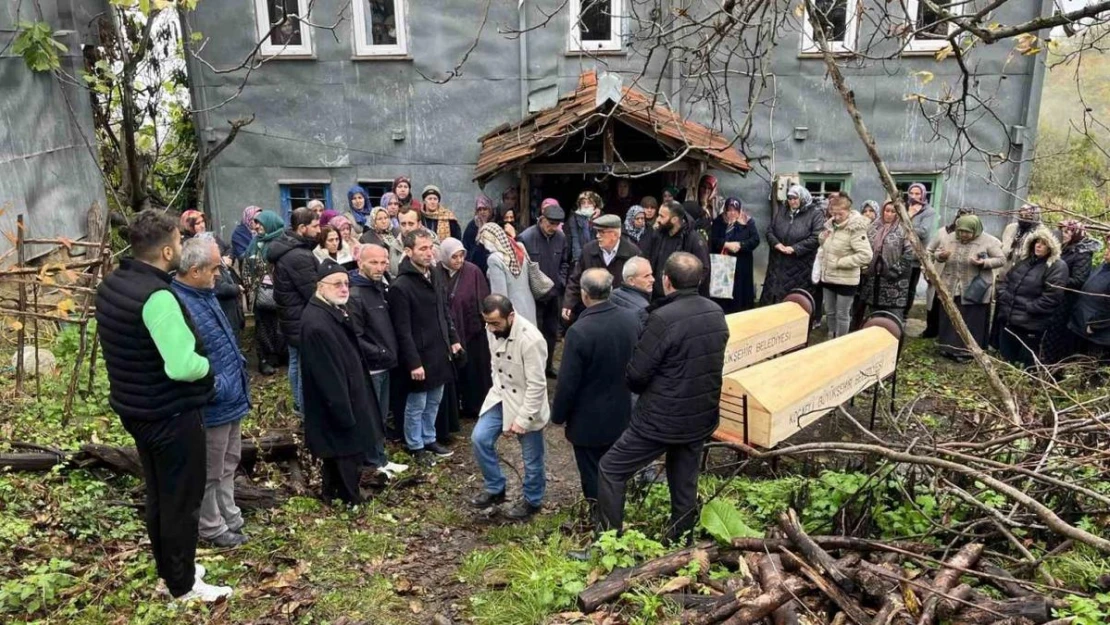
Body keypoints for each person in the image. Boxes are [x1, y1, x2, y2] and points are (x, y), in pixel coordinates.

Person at [95, 209, 231, 602]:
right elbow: (183, 366)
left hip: (137, 408)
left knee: (160, 493)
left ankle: (173, 566)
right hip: (171, 413)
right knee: (182, 501)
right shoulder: (158, 297)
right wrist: (209, 368)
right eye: (179, 239)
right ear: (168, 249)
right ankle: (183, 586)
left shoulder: (114, 283)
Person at [597, 253, 729, 544]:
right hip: (700, 416)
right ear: (700, 279)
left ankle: (607, 544)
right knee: (684, 481)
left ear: (666, 281)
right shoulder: (715, 312)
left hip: (660, 420)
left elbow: (637, 376)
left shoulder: (662, 318)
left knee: (611, 469)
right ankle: (681, 541)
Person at [171, 234, 251, 548]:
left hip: (230, 397)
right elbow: (185, 360)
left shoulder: (205, 294)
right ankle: (212, 526)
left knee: (229, 460)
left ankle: (229, 514)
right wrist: (217, 387)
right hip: (213, 402)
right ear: (195, 271)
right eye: (214, 269)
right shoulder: (180, 303)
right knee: (210, 469)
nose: (219, 274)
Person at [551, 269, 638, 507]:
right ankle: (618, 508)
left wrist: (558, 415)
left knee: (592, 472)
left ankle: (598, 514)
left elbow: (568, 382)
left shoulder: (579, 331)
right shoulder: (631, 320)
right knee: (617, 467)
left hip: (588, 420)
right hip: (622, 412)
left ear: (584, 294)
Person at [299, 262, 378, 503]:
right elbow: (328, 375)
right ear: (320, 287)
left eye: (346, 283)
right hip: (336, 400)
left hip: (346, 393)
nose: (344, 289)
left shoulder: (331, 310)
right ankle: (348, 498)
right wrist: (343, 409)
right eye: (337, 284)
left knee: (341, 450)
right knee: (343, 449)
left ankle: (334, 492)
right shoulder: (317, 322)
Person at [469, 294, 549, 520]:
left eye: (496, 323)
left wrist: (522, 420)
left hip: (527, 401)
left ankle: (532, 502)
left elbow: (537, 385)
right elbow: (495, 364)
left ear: (510, 316)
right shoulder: (491, 329)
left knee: (532, 459)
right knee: (479, 438)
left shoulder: (530, 339)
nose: (491, 328)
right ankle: (495, 488)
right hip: (502, 395)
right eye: (487, 323)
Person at [389, 228, 463, 462]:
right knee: (417, 403)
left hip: (439, 350)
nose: (429, 252)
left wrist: (453, 340)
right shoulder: (401, 286)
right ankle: (415, 445)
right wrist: (413, 362)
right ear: (408, 251)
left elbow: (444, 312)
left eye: (430, 247)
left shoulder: (434, 274)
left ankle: (429, 438)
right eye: (422, 248)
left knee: (435, 400)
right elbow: (402, 330)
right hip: (419, 355)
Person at [347, 245, 410, 479]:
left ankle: (380, 457)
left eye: (383, 262)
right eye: (374, 262)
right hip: (372, 367)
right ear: (360, 263)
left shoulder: (380, 288)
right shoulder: (355, 295)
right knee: (372, 416)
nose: (380, 267)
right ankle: (372, 461)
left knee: (382, 415)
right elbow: (356, 337)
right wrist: (381, 352)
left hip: (386, 363)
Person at [927, 214, 1004, 361]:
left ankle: (967, 351)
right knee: (949, 316)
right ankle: (947, 347)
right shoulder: (949, 238)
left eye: (967, 232)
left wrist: (983, 263)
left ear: (975, 230)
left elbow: (1001, 259)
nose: (963, 235)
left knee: (970, 319)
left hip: (974, 287)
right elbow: (937, 252)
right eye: (961, 231)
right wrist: (941, 256)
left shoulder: (988, 241)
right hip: (950, 284)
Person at [267, 207, 321, 415]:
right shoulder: (298, 256)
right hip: (301, 319)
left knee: (296, 363)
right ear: (302, 228)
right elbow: (313, 292)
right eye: (315, 226)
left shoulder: (287, 248)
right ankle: (304, 409)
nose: (318, 231)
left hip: (291, 318)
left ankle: (300, 406)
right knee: (303, 367)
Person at [995, 227, 1068, 368]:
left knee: (1024, 365)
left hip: (1030, 325)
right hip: (1009, 319)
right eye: (1037, 241)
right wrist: (1003, 296)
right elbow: (1007, 280)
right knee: (1006, 361)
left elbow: (1052, 298)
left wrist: (1028, 308)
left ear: (1052, 247)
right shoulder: (1025, 261)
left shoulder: (1057, 267)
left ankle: (1020, 388)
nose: (1038, 245)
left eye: (1044, 243)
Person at [439, 238, 492, 420]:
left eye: (462, 255)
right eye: (454, 257)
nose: (459, 260)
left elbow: (483, 298)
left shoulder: (473, 271)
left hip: (472, 330)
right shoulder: (437, 272)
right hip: (449, 332)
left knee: (475, 371)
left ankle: (475, 406)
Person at [517, 199, 569, 377]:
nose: (553, 228)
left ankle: (547, 366)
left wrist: (561, 281)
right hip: (533, 297)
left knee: (551, 333)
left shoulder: (561, 238)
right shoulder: (526, 237)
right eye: (550, 223)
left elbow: (565, 262)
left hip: (554, 294)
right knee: (533, 334)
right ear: (542, 219)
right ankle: (533, 369)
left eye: (557, 224)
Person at [813, 196, 873, 338]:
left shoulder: (855, 229)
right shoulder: (830, 225)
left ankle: (841, 341)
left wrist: (840, 262)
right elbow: (826, 246)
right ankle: (831, 336)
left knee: (842, 314)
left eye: (841, 214)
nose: (837, 217)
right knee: (829, 311)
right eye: (834, 213)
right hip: (828, 277)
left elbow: (866, 255)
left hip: (846, 280)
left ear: (849, 211)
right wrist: (823, 237)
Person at [1042, 220, 1101, 364]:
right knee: (1048, 334)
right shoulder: (1064, 247)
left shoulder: (1082, 253)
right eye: (1064, 231)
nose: (1065, 234)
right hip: (1055, 298)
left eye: (1069, 231)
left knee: (1057, 338)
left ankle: (1053, 369)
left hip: (1066, 302)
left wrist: (1057, 281)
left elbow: (1079, 280)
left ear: (1077, 234)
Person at [563, 214, 641, 322]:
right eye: (597, 232)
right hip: (592, 311)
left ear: (614, 234)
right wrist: (569, 303)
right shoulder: (588, 250)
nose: (597, 236)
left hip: (621, 312)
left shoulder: (632, 253)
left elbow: (639, 285)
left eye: (601, 232)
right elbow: (576, 279)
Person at [759, 185, 825, 307]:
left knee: (793, 301)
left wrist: (795, 248)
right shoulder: (782, 211)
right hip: (777, 262)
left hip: (800, 265)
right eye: (789, 198)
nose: (792, 201)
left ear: (803, 198)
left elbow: (816, 237)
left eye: (795, 198)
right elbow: (770, 231)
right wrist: (776, 244)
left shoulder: (815, 214)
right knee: (772, 296)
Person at [243, 210, 287, 375]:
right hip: (260, 294)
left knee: (281, 326)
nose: (257, 226)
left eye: (261, 223)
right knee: (263, 327)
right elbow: (247, 267)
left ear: (270, 224)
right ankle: (265, 359)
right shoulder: (255, 243)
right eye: (256, 223)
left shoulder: (282, 242)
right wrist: (250, 288)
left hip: (281, 292)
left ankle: (280, 356)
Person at [857, 200, 914, 323]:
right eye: (886, 211)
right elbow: (863, 246)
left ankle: (895, 338)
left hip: (895, 280)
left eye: (893, 212)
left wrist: (895, 270)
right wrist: (866, 268)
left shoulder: (904, 229)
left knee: (893, 317)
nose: (889, 214)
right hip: (873, 279)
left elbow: (909, 252)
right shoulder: (873, 228)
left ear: (899, 213)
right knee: (874, 316)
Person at [644, 201, 711, 299]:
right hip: (656, 296)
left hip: (681, 298)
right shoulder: (658, 234)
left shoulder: (693, 239)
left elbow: (703, 269)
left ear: (674, 219)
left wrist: (685, 289)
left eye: (662, 216)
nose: (658, 219)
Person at [922, 209, 972, 338]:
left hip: (959, 276)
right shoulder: (943, 233)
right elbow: (928, 251)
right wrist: (926, 269)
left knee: (952, 304)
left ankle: (947, 334)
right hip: (939, 272)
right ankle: (931, 330)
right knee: (934, 302)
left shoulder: (973, 236)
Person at [479, 222, 538, 325]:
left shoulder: (494, 259)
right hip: (528, 306)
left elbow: (500, 296)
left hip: (512, 312)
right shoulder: (518, 248)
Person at [709, 197, 760, 313]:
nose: (732, 213)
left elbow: (755, 240)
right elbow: (713, 240)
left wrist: (740, 245)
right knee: (723, 293)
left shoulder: (747, 222)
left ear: (740, 210)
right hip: (724, 264)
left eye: (735, 210)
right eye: (729, 210)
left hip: (741, 264)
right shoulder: (719, 221)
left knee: (740, 291)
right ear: (725, 210)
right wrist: (726, 244)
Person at [1068, 241, 1110, 365]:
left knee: (1091, 369)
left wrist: (1094, 326)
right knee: (1075, 365)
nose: (1107, 251)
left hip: (1098, 336)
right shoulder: (1104, 266)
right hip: (1081, 325)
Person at [902, 183, 938, 319]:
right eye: (912, 193)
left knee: (910, 288)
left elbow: (923, 232)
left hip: (915, 256)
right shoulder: (903, 208)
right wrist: (908, 215)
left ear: (923, 194)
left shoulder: (929, 211)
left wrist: (908, 219)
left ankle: (904, 314)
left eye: (918, 194)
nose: (914, 196)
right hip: (899, 254)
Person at [610, 256, 654, 330]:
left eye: (651, 274)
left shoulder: (612, 295)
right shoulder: (643, 309)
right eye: (646, 276)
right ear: (631, 281)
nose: (652, 279)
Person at [359, 206, 405, 277]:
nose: (384, 221)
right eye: (379, 219)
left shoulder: (397, 232)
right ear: (374, 221)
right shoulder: (366, 238)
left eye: (386, 218)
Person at [1000, 203, 1043, 278]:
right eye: (1021, 215)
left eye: (1027, 216)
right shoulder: (1010, 228)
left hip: (1024, 278)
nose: (1023, 219)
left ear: (1035, 217)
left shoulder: (1040, 233)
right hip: (1004, 275)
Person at [463, 194, 495, 274]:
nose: (482, 212)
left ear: (490, 210)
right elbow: (466, 246)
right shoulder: (472, 226)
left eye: (485, 209)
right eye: (479, 210)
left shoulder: (495, 224)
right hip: (475, 266)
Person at [568, 191, 602, 266]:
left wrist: (596, 218)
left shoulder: (601, 217)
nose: (586, 205)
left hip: (597, 257)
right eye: (583, 203)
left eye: (589, 203)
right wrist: (578, 260)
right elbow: (575, 239)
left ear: (595, 204)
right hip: (581, 255)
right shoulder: (574, 218)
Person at [695, 175, 721, 239]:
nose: (706, 191)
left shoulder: (719, 204)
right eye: (703, 187)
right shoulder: (693, 199)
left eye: (709, 188)